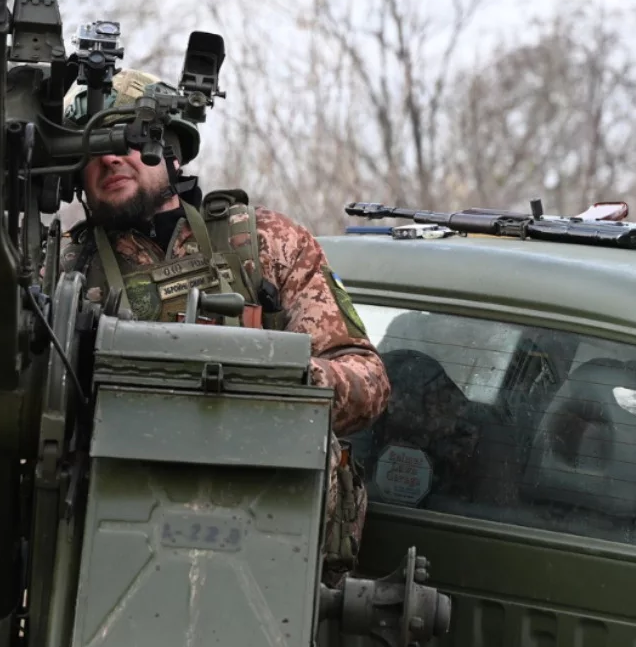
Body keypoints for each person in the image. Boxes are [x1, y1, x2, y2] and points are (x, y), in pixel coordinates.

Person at [59, 69, 391, 576]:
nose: (109, 157)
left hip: (266, 543)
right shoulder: (62, 272)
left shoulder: (264, 243)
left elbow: (367, 380)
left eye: (128, 138)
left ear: (171, 151)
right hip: (117, 546)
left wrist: (277, 380)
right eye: (93, 149)